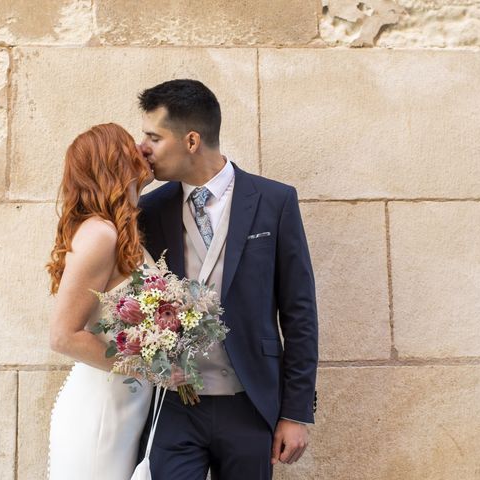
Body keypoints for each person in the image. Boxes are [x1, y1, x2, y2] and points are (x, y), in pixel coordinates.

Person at [137, 79, 319, 480]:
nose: (142, 148)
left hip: (249, 404)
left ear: (191, 141)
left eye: (153, 136)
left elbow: (299, 311)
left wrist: (295, 412)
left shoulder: (274, 201)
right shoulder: (148, 209)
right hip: (173, 407)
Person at [46, 123, 157, 480]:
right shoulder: (100, 234)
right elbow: (63, 336)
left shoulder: (116, 231)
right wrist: (146, 368)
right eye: (130, 146)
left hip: (125, 408)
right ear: (113, 163)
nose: (141, 149)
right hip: (102, 413)